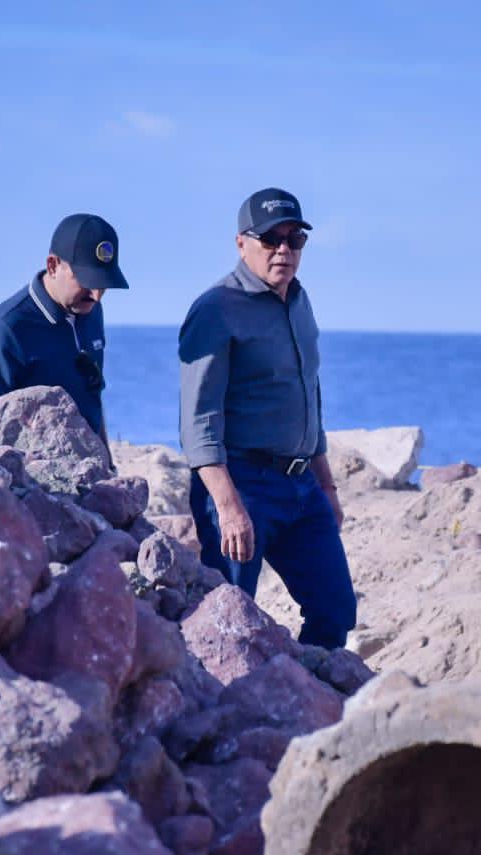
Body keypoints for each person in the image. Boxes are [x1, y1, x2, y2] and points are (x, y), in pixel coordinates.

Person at [178, 187, 356, 649]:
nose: (283, 250)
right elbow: (199, 419)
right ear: (242, 243)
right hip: (243, 486)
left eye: (294, 239)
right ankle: (226, 710)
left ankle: (309, 702)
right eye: (270, 239)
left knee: (335, 610)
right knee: (228, 619)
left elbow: (308, 394)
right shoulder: (215, 310)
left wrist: (328, 487)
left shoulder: (300, 300)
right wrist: (229, 507)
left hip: (303, 486)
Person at [0, 214, 128, 441]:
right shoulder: (5, 329)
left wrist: (108, 462)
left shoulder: (91, 309)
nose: (97, 295)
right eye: (86, 280)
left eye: (103, 283)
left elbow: (93, 393)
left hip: (90, 467)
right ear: (53, 265)